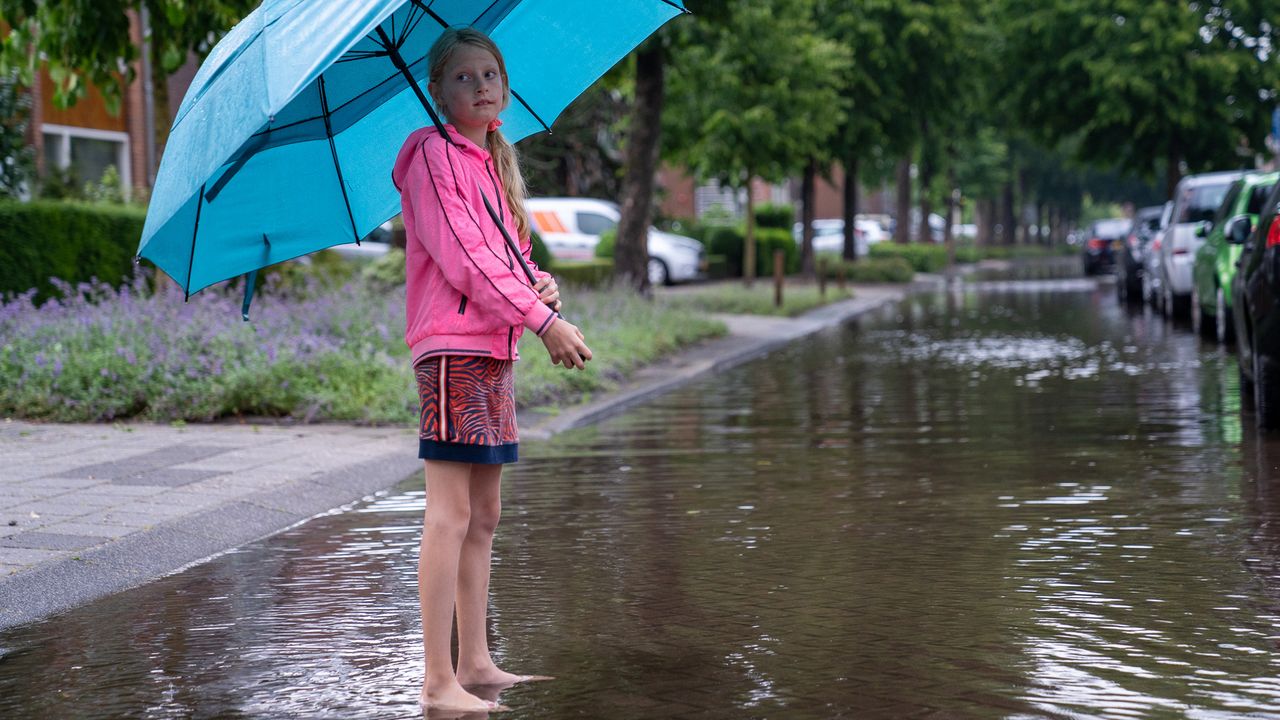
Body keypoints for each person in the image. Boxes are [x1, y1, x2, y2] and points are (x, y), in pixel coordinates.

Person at [390, 26, 593, 713]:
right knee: (448, 513)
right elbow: (465, 261)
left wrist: (541, 286)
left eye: (489, 75)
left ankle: (475, 663)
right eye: (462, 78)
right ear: (437, 91)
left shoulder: (488, 164)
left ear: (505, 85)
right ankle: (436, 680)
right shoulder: (430, 157)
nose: (480, 86)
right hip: (452, 349)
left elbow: (502, 255)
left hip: (492, 348)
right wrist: (545, 324)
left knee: (484, 513)